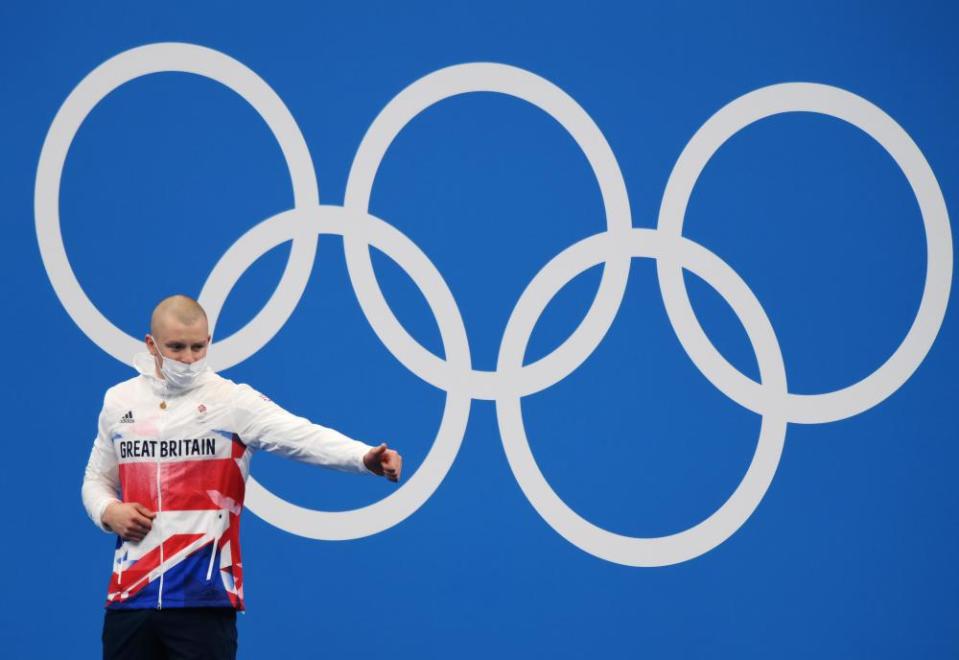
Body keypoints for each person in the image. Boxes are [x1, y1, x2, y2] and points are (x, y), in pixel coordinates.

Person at [82, 294, 402, 659]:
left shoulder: (232, 401)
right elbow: (95, 479)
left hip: (203, 602)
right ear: (151, 345)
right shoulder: (119, 401)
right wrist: (108, 511)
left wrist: (361, 457)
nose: (188, 359)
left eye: (198, 347)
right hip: (130, 600)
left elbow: (300, 435)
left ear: (209, 342)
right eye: (176, 348)